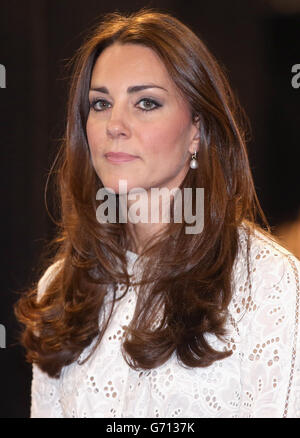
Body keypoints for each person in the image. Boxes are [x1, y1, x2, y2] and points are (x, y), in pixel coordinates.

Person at [15, 9, 300, 418]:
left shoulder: (268, 282)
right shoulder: (61, 286)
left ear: (196, 130)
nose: (115, 124)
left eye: (146, 102)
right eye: (100, 103)